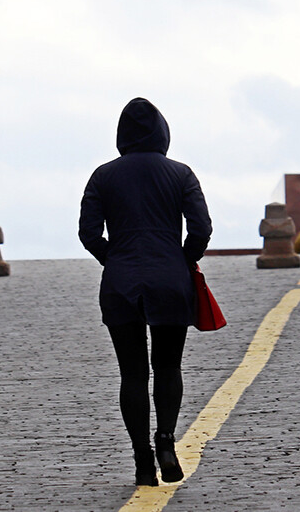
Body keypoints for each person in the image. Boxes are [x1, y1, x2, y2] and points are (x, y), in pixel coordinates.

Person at [79, 98, 212, 487]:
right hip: (170, 279)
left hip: (120, 282)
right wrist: (181, 259)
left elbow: (88, 234)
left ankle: (142, 459)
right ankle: (167, 441)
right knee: (168, 366)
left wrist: (114, 258)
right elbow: (201, 228)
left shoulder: (103, 176)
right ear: (163, 132)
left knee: (132, 374)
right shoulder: (181, 173)